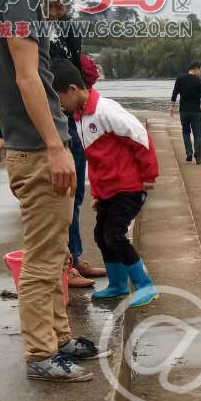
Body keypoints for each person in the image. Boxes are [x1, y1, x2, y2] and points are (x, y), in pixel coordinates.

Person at [0, 0, 95, 384]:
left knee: (53, 252)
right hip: (37, 146)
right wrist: (55, 145)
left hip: (27, 142)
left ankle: (60, 338)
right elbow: (28, 76)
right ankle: (41, 353)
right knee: (45, 259)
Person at [52, 60, 159, 308]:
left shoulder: (104, 110)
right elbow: (98, 162)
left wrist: (148, 175)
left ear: (72, 90)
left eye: (60, 99)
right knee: (101, 234)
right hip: (109, 189)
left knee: (115, 234)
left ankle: (145, 285)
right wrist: (98, 193)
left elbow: (140, 136)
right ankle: (118, 284)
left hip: (129, 186)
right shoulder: (80, 116)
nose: (61, 106)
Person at [49, 0, 105, 287]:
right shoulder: (27, 25)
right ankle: (62, 265)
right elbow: (14, 77)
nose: (61, 9)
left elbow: (76, 67)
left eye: (65, 3)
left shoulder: (68, 25)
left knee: (76, 192)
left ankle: (75, 256)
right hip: (46, 117)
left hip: (71, 116)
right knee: (57, 195)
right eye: (57, 3)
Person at [169, 61, 201, 164]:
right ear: (196, 69)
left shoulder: (180, 79)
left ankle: (189, 154)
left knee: (186, 132)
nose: (200, 73)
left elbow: (174, 93)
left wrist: (171, 107)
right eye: (200, 70)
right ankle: (198, 158)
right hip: (195, 111)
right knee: (197, 135)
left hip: (183, 111)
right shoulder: (199, 81)